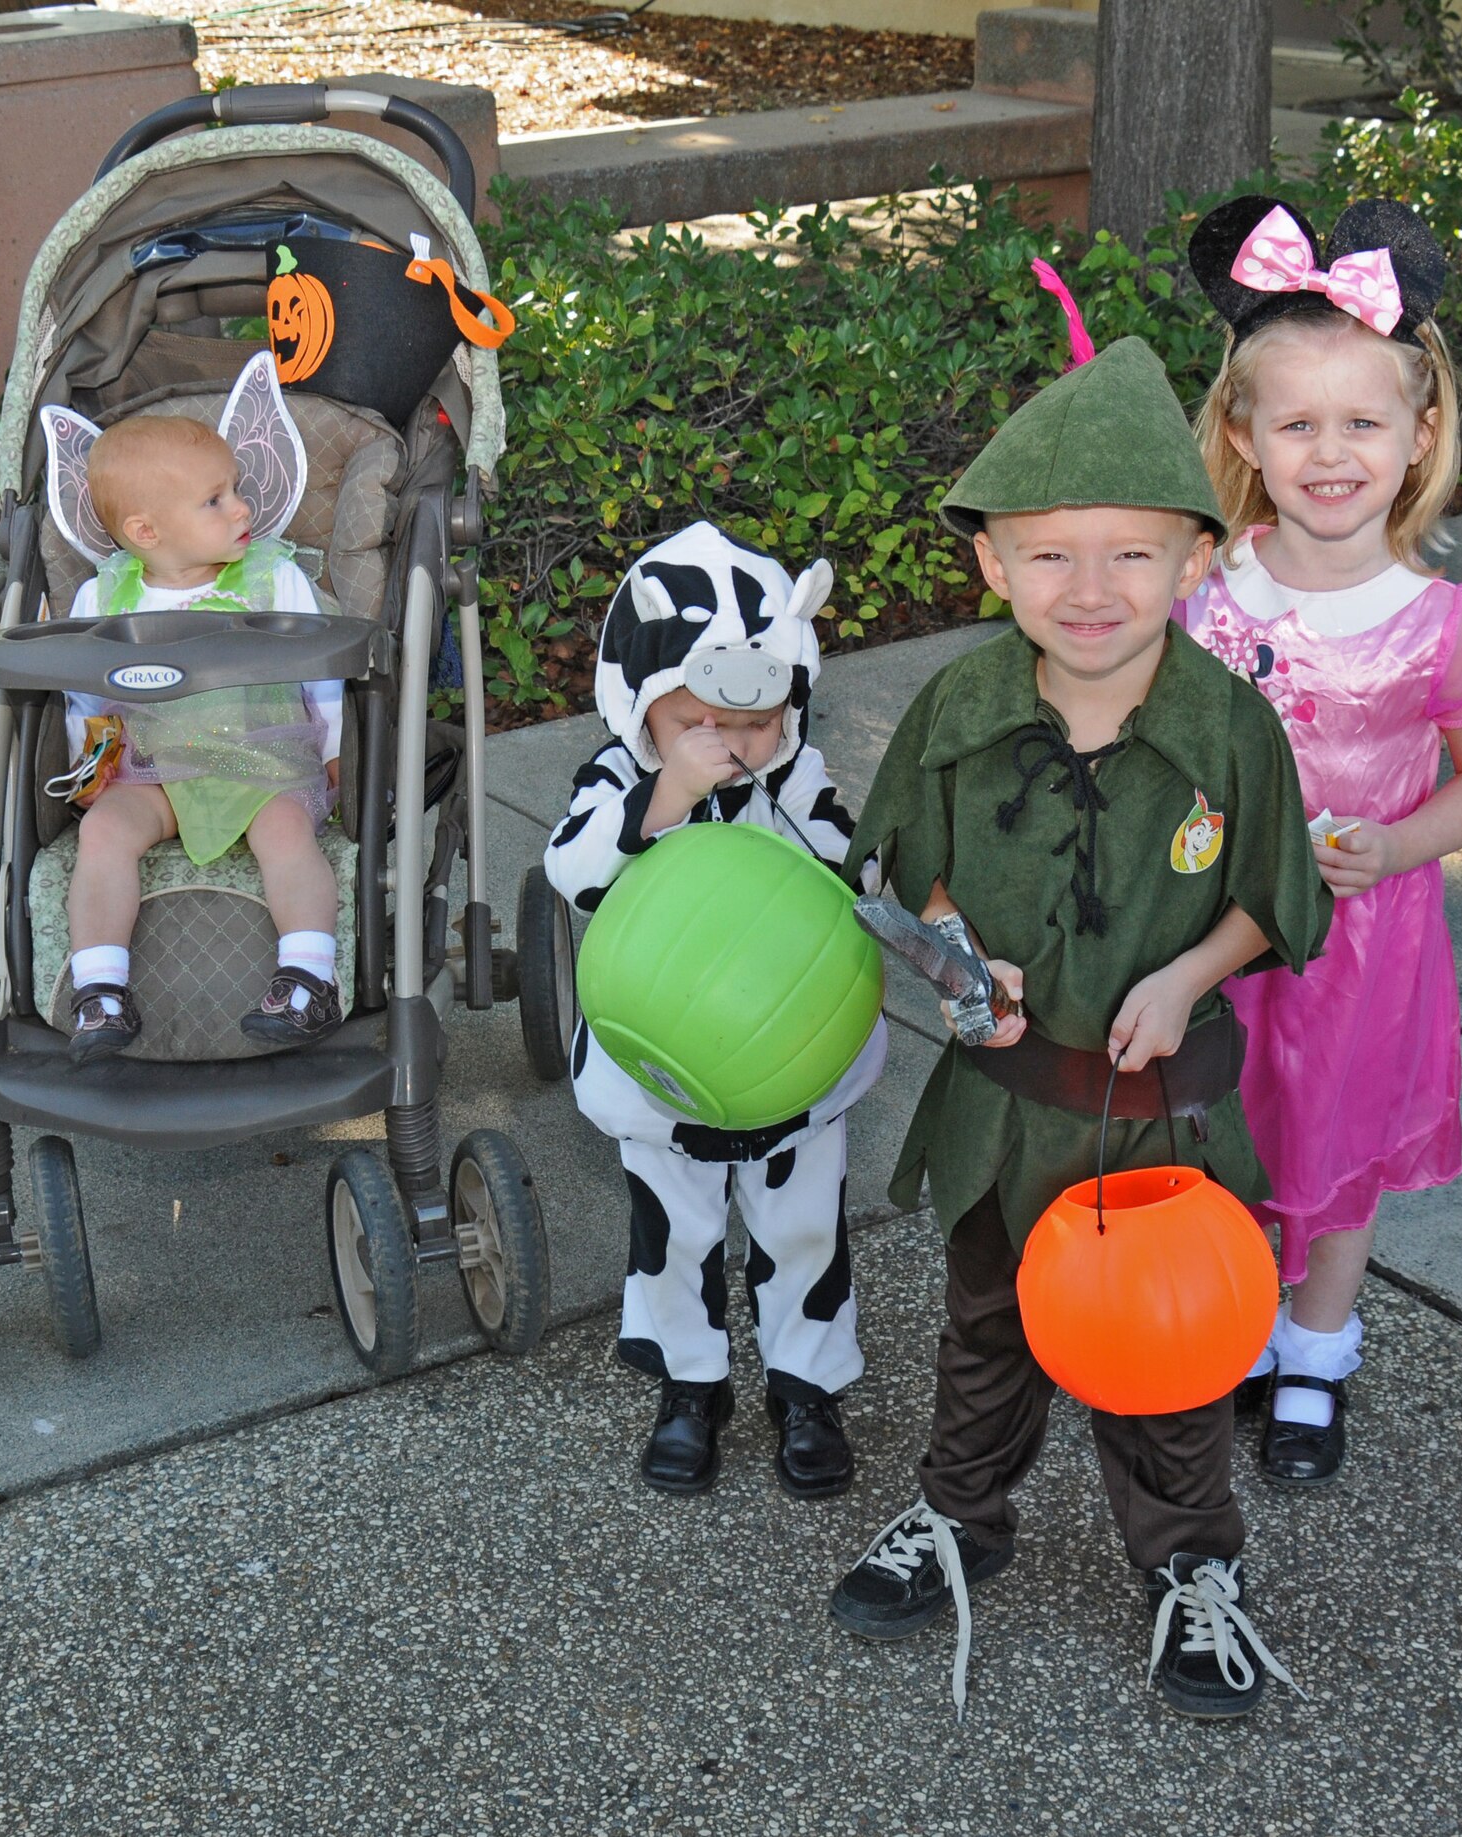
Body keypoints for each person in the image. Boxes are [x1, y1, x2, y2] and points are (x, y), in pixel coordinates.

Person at [827, 334, 1332, 1720]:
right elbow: (906, 867)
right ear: (991, 566)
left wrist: (1186, 979)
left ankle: (1190, 1569)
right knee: (986, 1327)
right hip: (1006, 1110)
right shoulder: (956, 710)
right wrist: (958, 951)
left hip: (1161, 1120)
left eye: (1131, 554)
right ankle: (958, 1513)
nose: (1091, 590)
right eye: (1050, 556)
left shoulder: (1230, 731)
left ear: (1191, 561)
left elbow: (1277, 902)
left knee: (1164, 1357)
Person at [1178, 196, 1462, 1487]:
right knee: (1229, 1130)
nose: (1332, 453)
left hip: (1365, 947)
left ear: (1418, 433)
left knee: (1333, 1153)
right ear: (1245, 434)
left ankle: (1314, 1350)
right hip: (1222, 936)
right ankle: (1231, 1328)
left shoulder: (1447, 623)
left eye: (1363, 422)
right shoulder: (1206, 592)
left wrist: (1395, 841)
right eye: (1299, 423)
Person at [544, 522, 888, 1501]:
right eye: (699, 723)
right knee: (673, 1236)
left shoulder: (796, 781)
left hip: (792, 1076)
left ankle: (806, 1386)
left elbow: (849, 868)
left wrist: (874, 877)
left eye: (757, 721)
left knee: (802, 1231)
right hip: (664, 1077)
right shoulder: (620, 784)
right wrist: (665, 793)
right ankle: (689, 1386)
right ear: (642, 708)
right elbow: (571, 869)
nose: (733, 746)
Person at [55, 406, 344, 1062]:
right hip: (155, 767)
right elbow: (84, 691)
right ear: (146, 530)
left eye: (236, 489)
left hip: (263, 761)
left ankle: (307, 976)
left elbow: (327, 671)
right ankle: (100, 987)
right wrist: (88, 760)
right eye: (215, 500)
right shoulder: (104, 601)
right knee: (103, 832)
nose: (242, 509)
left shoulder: (273, 579)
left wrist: (336, 751)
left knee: (286, 833)